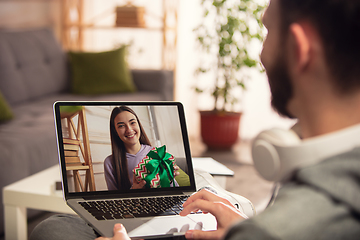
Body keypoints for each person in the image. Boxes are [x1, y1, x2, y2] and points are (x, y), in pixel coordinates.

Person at [30, 0, 360, 239]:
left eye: (268, 31)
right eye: (121, 125)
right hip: (139, 212)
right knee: (55, 225)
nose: (260, 53)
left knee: (52, 228)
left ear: (300, 48)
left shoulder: (273, 231)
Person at [104, 106, 179, 190]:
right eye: (121, 126)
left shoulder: (157, 153)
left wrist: (170, 178)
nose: (129, 130)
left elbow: (175, 191)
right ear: (115, 131)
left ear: (138, 124)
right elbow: (114, 200)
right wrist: (133, 191)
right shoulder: (110, 162)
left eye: (132, 123)